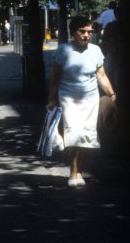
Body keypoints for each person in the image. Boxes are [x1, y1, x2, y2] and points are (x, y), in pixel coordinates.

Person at [47, 16, 116, 188]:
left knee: (87, 136)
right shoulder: (63, 50)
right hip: (69, 98)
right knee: (74, 134)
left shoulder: (95, 50)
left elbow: (101, 75)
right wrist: (51, 98)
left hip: (90, 99)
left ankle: (80, 170)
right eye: (82, 31)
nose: (86, 35)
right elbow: (55, 77)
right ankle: (72, 171)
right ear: (73, 32)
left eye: (89, 32)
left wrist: (112, 94)